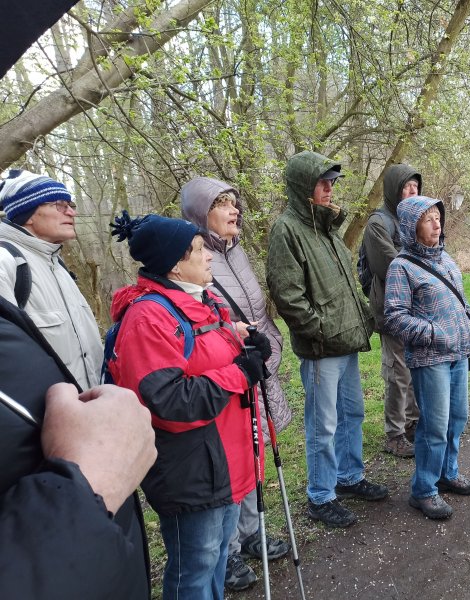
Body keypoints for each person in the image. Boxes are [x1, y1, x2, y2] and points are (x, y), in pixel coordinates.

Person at [108, 211, 269, 600]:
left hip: (222, 462)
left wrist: (240, 338)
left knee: (213, 561)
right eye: (199, 250)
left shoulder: (197, 301)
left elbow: (198, 349)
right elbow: (166, 400)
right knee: (194, 571)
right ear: (175, 264)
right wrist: (240, 372)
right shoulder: (148, 318)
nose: (209, 255)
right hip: (191, 470)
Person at [0, 295, 155, 600]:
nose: (207, 258)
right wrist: (93, 485)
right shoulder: (11, 263)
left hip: (109, 559)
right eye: (199, 247)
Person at [266, 150, 387, 528]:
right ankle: (321, 495)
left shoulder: (327, 229)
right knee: (323, 423)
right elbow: (287, 293)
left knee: (352, 412)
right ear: (303, 187)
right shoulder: (287, 229)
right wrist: (319, 330)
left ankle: (349, 477)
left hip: (345, 341)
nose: (329, 189)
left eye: (332, 183)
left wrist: (360, 319)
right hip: (322, 348)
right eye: (322, 183)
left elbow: (345, 286)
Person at [181, 177, 291, 591]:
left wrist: (270, 344)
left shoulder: (236, 250)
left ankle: (250, 533)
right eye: (222, 204)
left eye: (233, 203)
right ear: (199, 213)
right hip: (230, 375)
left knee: (255, 447)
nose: (234, 211)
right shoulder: (193, 258)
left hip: (256, 363)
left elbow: (257, 310)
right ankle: (225, 551)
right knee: (231, 457)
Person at [384, 196, 470, 520]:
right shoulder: (401, 267)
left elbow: (460, 299)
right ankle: (423, 490)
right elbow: (394, 317)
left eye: (438, 217)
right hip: (430, 359)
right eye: (428, 219)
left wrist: (468, 321)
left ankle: (447, 473)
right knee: (435, 426)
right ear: (412, 227)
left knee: (458, 418)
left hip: (458, 353)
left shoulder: (446, 259)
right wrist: (434, 333)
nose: (436, 223)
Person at [0, 169, 103, 391]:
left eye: (71, 205)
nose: (71, 213)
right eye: (59, 204)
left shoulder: (57, 265)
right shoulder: (6, 263)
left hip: (87, 411)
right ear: (27, 214)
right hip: (47, 420)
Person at [361, 164, 422, 457]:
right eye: (407, 187)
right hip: (391, 307)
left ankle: (412, 424)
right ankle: (394, 434)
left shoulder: (412, 218)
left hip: (415, 307)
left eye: (416, 187)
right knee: (398, 372)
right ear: (393, 189)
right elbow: (392, 266)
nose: (412, 192)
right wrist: (423, 276)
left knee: (413, 366)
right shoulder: (378, 223)